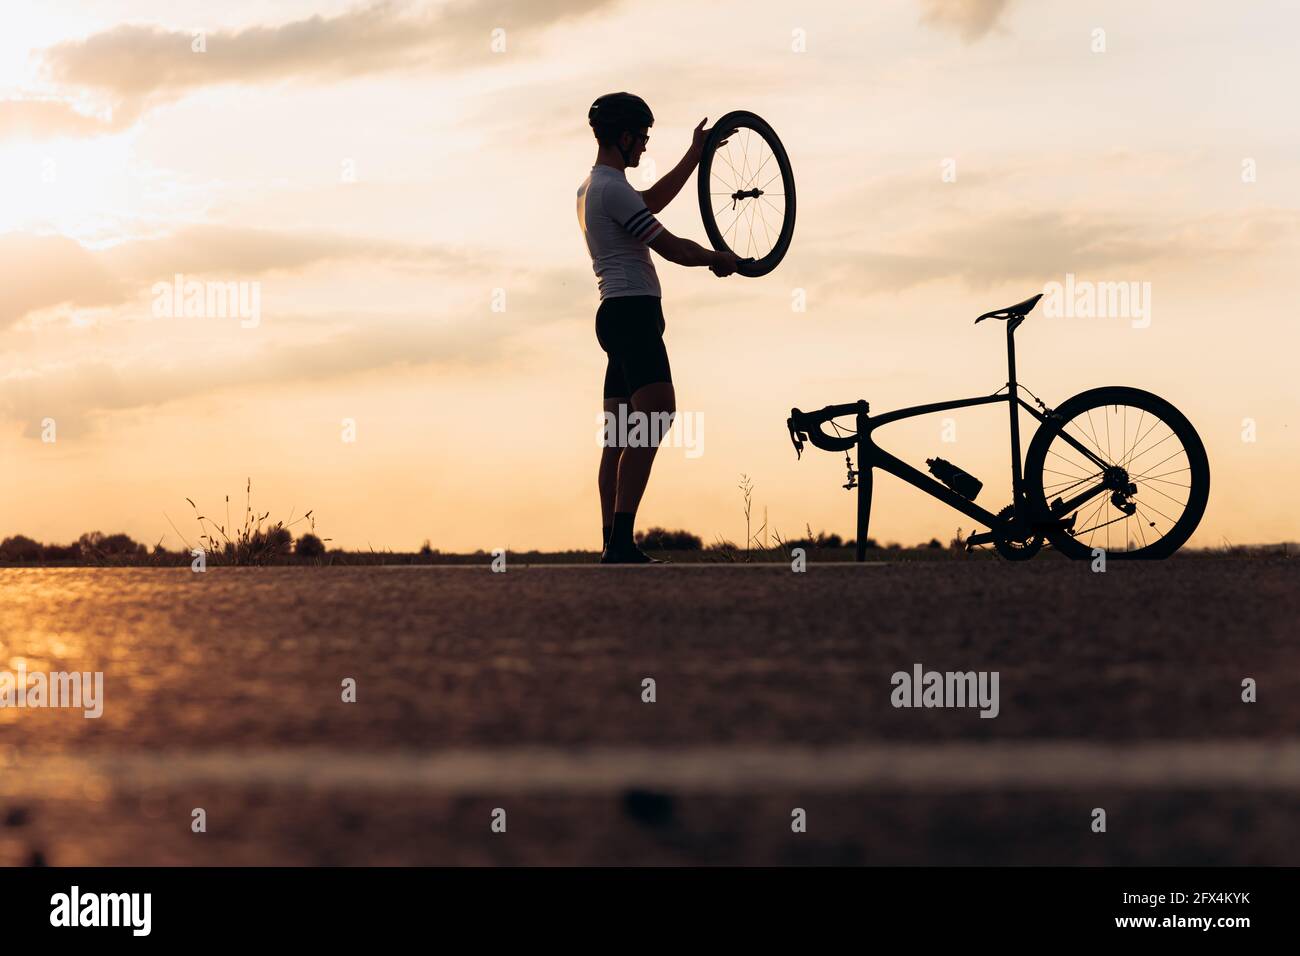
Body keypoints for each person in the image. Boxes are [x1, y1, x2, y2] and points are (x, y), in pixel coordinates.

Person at [576, 92, 740, 564]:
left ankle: (612, 542)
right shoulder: (610, 189)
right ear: (625, 137)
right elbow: (671, 247)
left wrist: (695, 154)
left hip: (614, 315)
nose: (645, 147)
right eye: (643, 138)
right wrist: (715, 258)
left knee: (620, 436)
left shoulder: (593, 187)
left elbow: (652, 202)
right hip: (633, 315)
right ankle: (622, 543)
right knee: (656, 418)